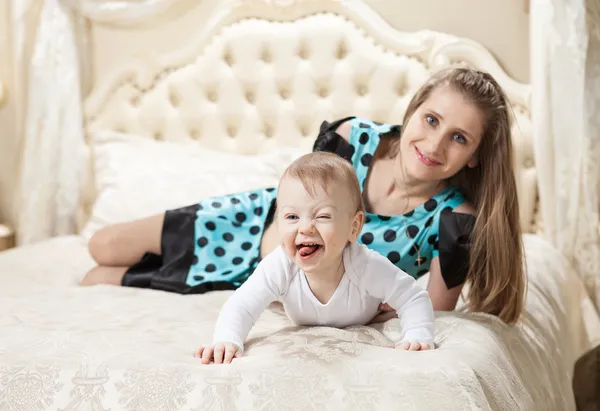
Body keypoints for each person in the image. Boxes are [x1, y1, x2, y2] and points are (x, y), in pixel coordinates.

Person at [81, 67, 525, 325]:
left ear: (474, 157)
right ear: (412, 111)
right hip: (260, 228)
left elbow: (430, 308)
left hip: (293, 285)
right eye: (431, 120)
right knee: (101, 248)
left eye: (459, 138)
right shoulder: (351, 138)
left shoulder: (455, 221)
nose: (434, 145)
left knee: (98, 281)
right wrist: (274, 265)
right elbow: (289, 216)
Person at [194, 152, 436, 364]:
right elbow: (242, 306)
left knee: (390, 304)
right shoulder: (280, 265)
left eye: (322, 216)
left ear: (354, 227)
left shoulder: (365, 266)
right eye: (291, 217)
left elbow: (413, 297)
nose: (305, 228)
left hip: (366, 311)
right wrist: (227, 339)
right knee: (268, 292)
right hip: (291, 298)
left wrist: (417, 334)